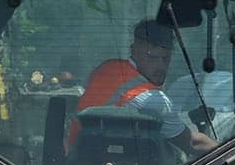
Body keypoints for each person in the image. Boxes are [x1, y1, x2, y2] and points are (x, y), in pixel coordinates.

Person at [69, 19, 214, 156]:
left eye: (165, 58)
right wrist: (230, 151)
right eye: (152, 57)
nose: (160, 66)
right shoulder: (152, 100)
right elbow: (192, 143)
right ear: (134, 50)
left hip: (75, 159)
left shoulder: (107, 68)